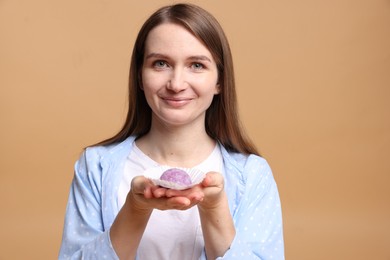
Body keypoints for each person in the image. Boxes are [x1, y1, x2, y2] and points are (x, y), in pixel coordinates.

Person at [59, 3, 284, 260]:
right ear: (140, 77)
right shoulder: (95, 166)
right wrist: (135, 208)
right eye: (161, 63)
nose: (176, 84)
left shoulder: (252, 174)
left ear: (219, 80)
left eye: (197, 65)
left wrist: (214, 209)